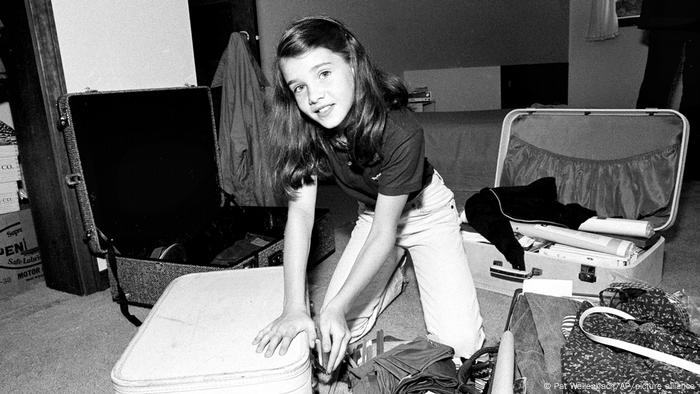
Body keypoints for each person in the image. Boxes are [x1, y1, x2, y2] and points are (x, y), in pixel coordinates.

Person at [252, 15, 484, 373]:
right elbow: (300, 217)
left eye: (324, 73)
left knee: (461, 348)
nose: (313, 96)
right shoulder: (306, 131)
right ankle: (391, 279)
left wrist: (334, 306)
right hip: (373, 214)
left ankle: (390, 268)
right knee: (337, 340)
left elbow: (384, 234)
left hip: (426, 212)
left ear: (353, 64)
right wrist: (295, 307)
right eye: (298, 86)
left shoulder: (401, 130)